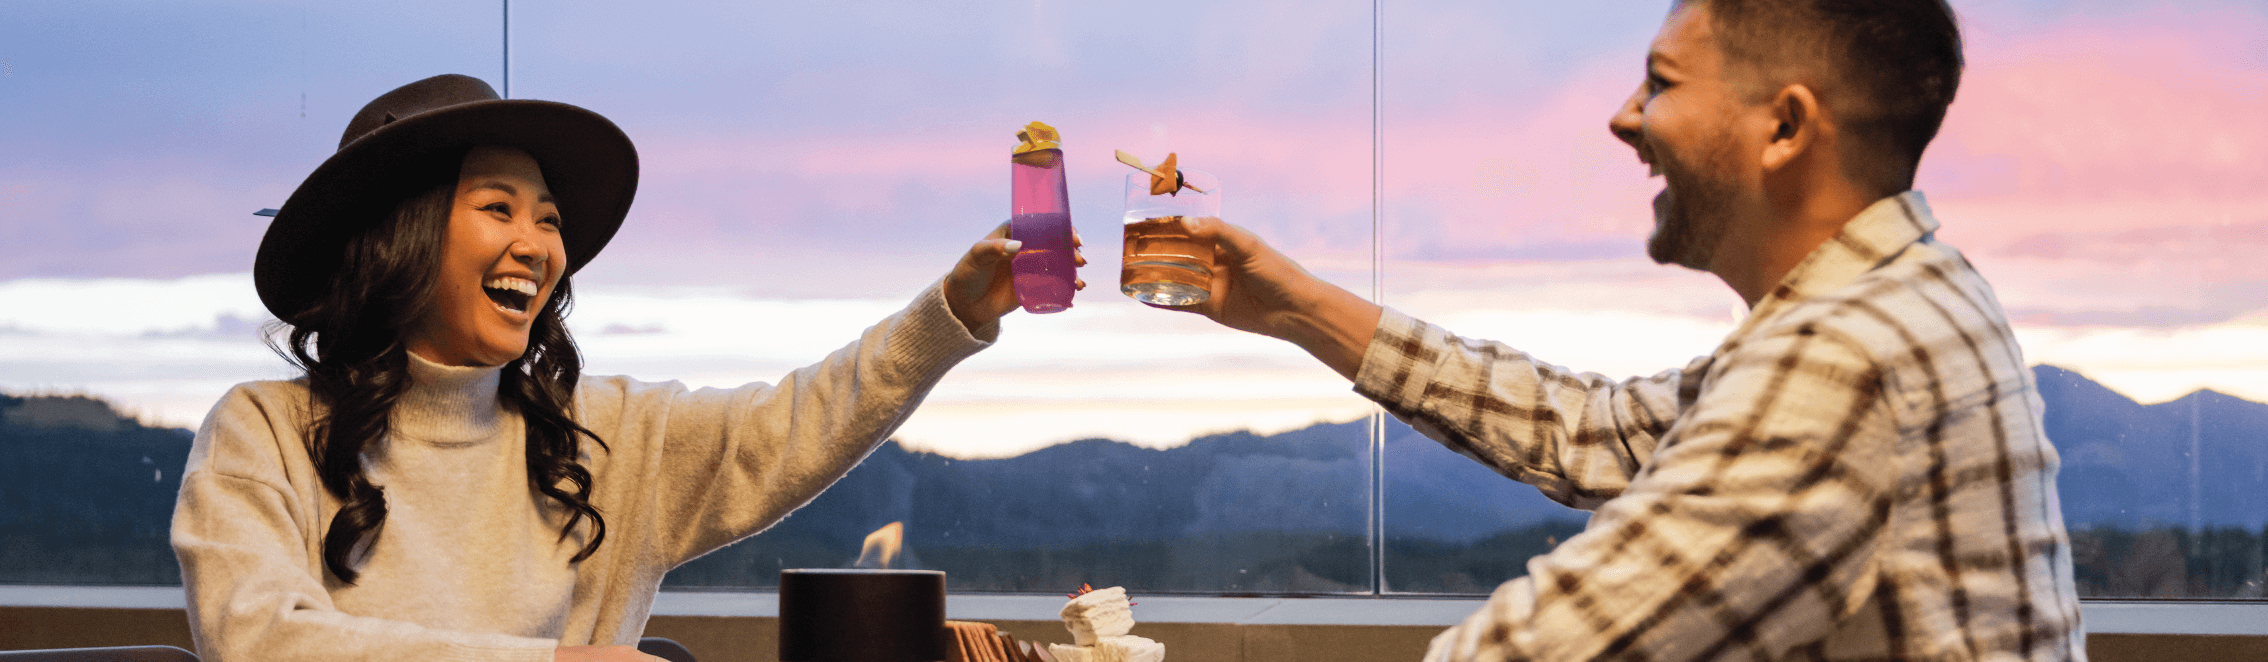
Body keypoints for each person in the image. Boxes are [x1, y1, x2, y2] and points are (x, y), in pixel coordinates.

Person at [1160, 1, 2083, 660]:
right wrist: (1296, 306)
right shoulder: (1905, 292)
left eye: (1661, 82)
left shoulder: (1846, 355)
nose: (1624, 117)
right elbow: (1595, 434)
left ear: (1787, 126)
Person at [170, 74, 1075, 662]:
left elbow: (797, 420)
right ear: (400, 239)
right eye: (499, 209)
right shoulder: (264, 430)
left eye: (551, 220)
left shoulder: (607, 436)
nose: (537, 246)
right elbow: (257, 641)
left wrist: (950, 314)